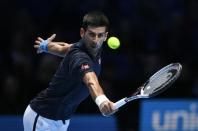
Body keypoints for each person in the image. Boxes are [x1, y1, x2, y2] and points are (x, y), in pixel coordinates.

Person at [23, 11, 117, 131]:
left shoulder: (90, 48)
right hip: (42, 117)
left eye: (100, 35)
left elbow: (63, 48)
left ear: (105, 36)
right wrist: (102, 100)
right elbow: (90, 80)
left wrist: (45, 46)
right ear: (82, 33)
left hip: (62, 120)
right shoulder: (80, 57)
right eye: (92, 35)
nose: (95, 40)